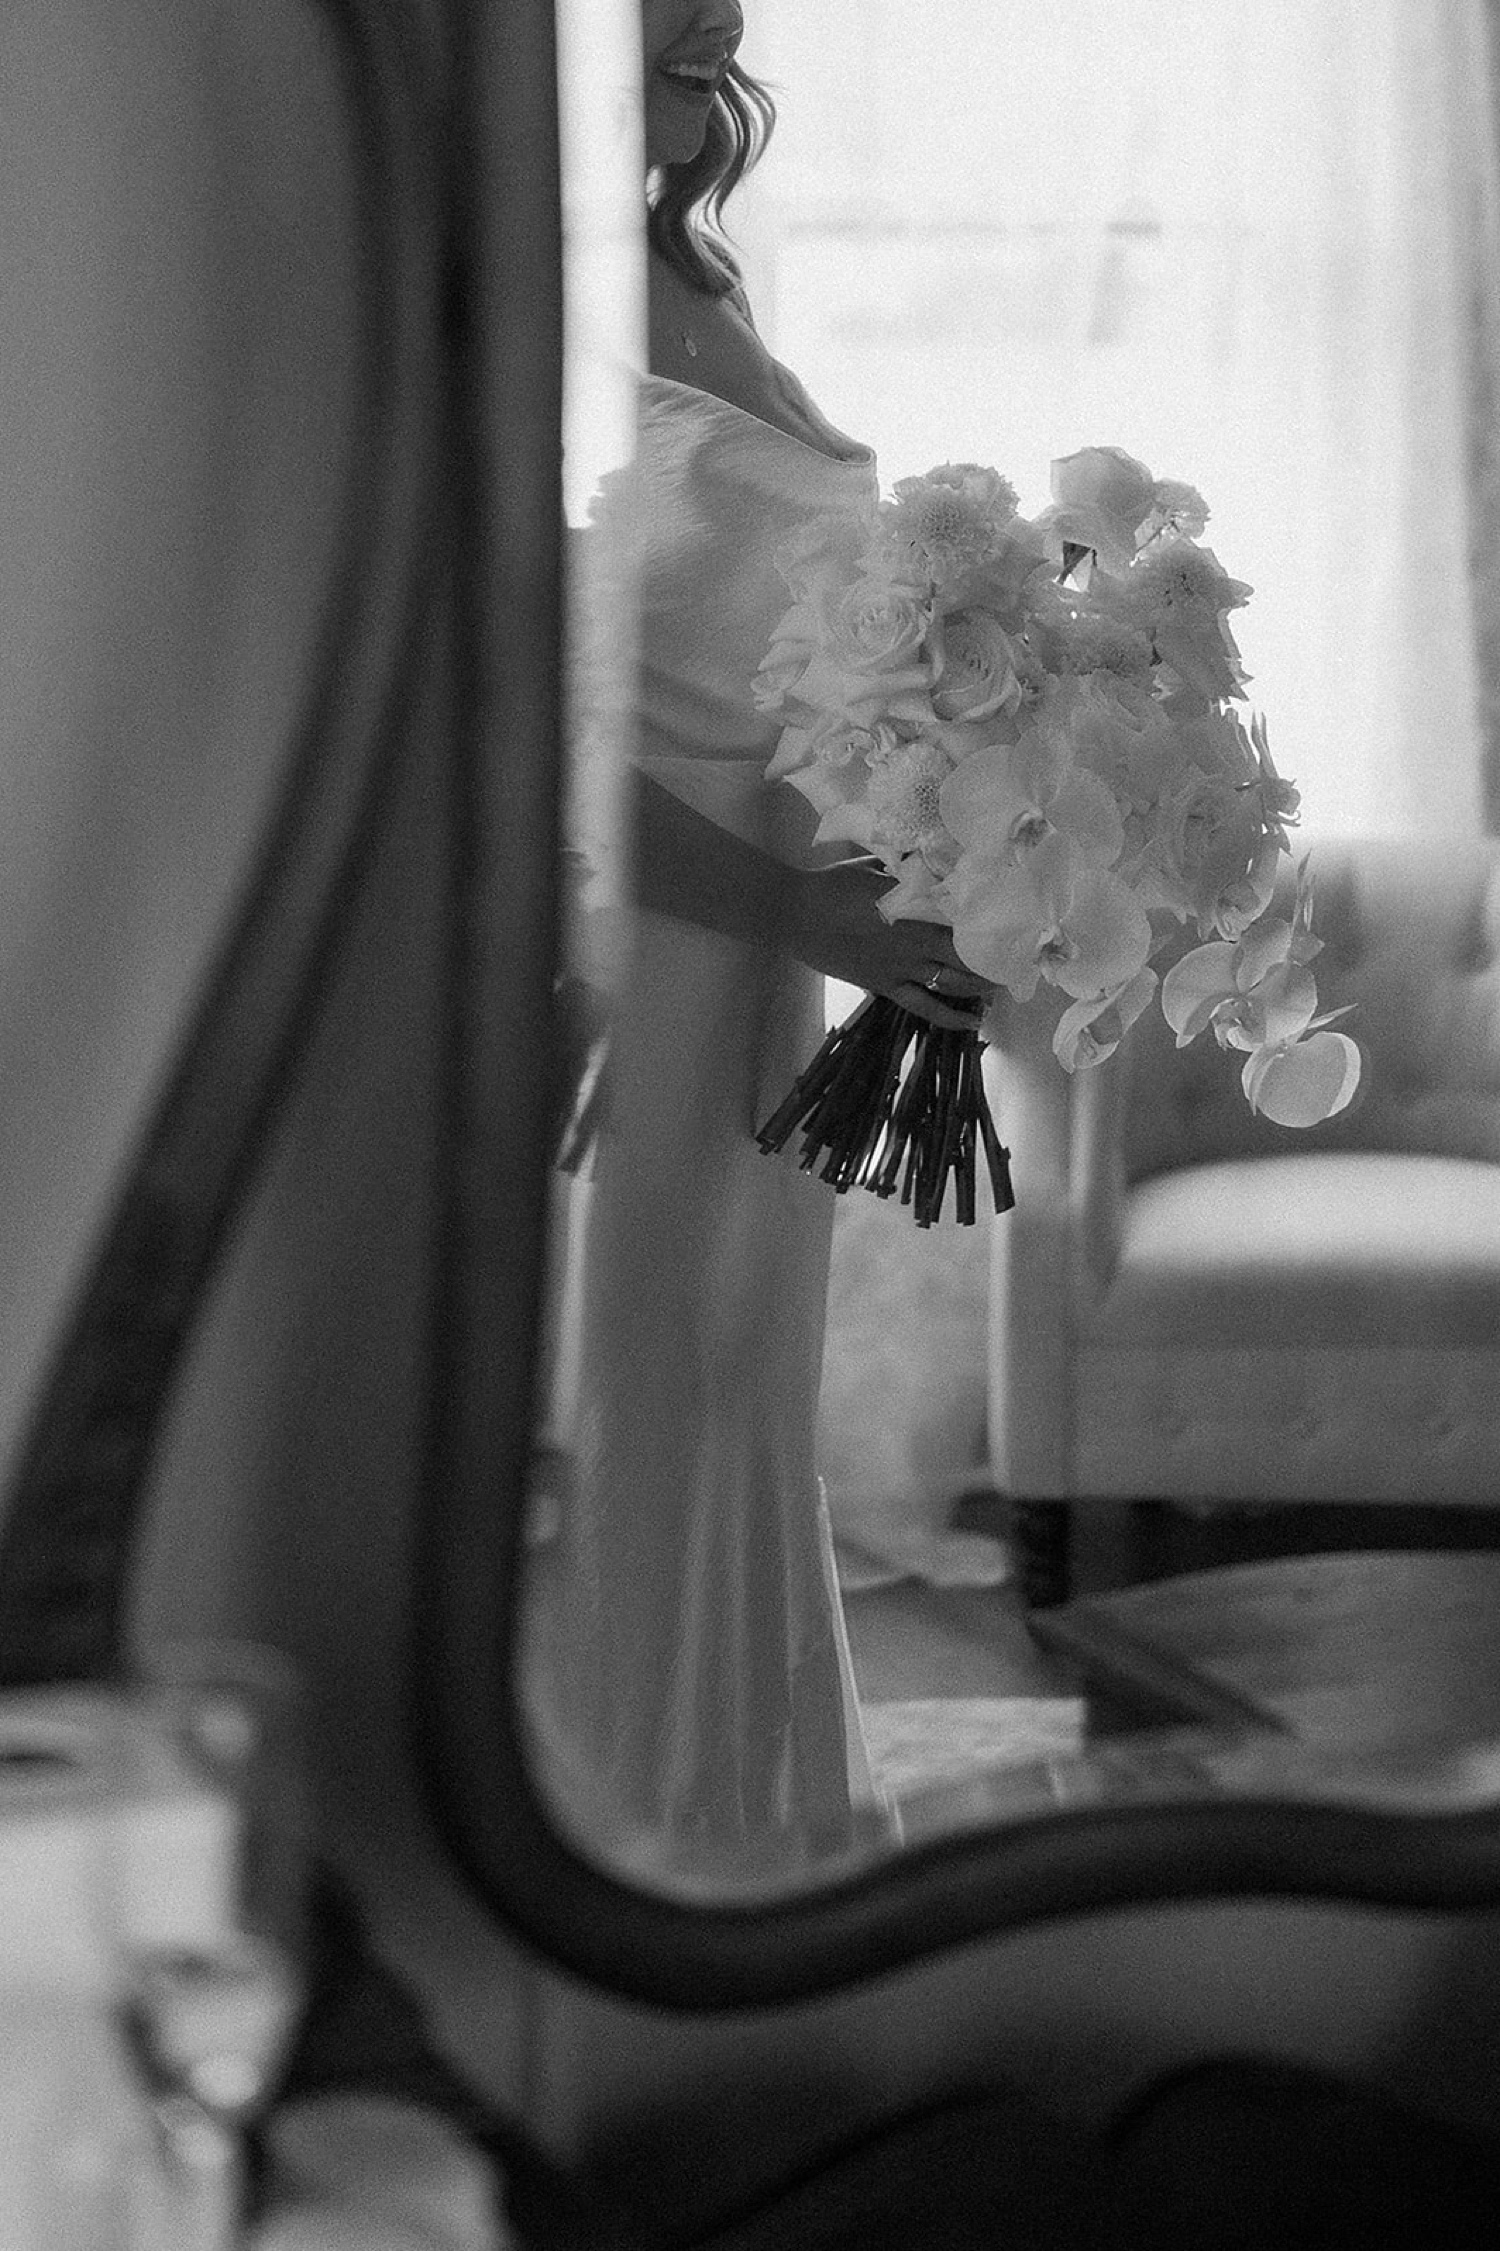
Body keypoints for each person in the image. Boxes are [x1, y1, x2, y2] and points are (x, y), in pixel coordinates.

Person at [529, 0, 994, 1888]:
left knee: (733, 1399)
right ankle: (618, 1847)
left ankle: (757, 1822)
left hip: (772, 952)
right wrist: (793, 899)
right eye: (659, 20)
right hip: (630, 947)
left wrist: (958, 843)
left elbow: (782, 663)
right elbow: (539, 714)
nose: (713, 29)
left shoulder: (686, 278)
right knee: (633, 1408)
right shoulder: (535, 322)